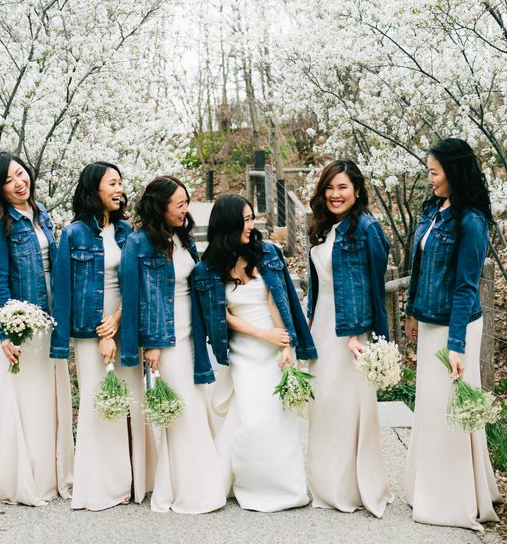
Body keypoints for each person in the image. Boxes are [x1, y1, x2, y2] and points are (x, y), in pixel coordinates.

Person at [193, 193, 316, 512]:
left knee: (279, 417)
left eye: (252, 218)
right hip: (243, 350)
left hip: (274, 345)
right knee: (252, 419)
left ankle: (287, 488)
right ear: (229, 225)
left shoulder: (267, 254)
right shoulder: (208, 269)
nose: (252, 225)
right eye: (245, 220)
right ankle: (249, 483)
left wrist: (285, 344)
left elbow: (278, 300)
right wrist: (261, 333)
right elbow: (221, 316)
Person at [404, 138, 500, 530]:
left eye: (435, 173)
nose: (430, 179)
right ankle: (428, 486)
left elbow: (466, 286)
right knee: (430, 406)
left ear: (454, 173)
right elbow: (420, 262)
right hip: (428, 322)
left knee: (451, 411)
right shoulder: (432, 210)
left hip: (455, 327)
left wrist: (457, 346)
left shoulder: (471, 222)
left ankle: (452, 499)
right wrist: (411, 311)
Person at [50, 162, 155, 511]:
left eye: (121, 182)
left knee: (133, 399)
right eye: (113, 183)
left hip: (125, 323)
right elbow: (64, 290)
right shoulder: (73, 234)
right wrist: (100, 333)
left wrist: (118, 319)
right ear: (94, 189)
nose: (120, 188)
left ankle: (138, 480)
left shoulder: (128, 232)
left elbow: (139, 281)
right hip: (89, 331)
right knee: (101, 406)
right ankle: (104, 486)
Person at [120, 176, 226, 514]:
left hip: (190, 331)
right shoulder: (137, 244)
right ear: (159, 206)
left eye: (186, 203)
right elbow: (133, 296)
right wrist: (149, 344)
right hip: (164, 338)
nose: (185, 210)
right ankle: (192, 488)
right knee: (184, 408)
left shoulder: (183, 238)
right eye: (179, 204)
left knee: (197, 401)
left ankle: (189, 481)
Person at [0, 151, 74, 506]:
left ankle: (58, 472)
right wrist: (4, 334)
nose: (19, 183)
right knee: (30, 401)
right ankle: (32, 478)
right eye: (8, 180)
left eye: (21, 174)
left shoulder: (42, 214)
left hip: (52, 319)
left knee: (53, 396)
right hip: (23, 327)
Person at [306, 160, 393, 518]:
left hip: (350, 331)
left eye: (342, 187)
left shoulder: (367, 229)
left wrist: (375, 339)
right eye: (329, 187)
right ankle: (324, 483)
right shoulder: (322, 229)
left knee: (347, 408)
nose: (335, 194)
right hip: (320, 325)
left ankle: (351, 487)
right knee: (322, 405)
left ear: (357, 190)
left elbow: (376, 288)